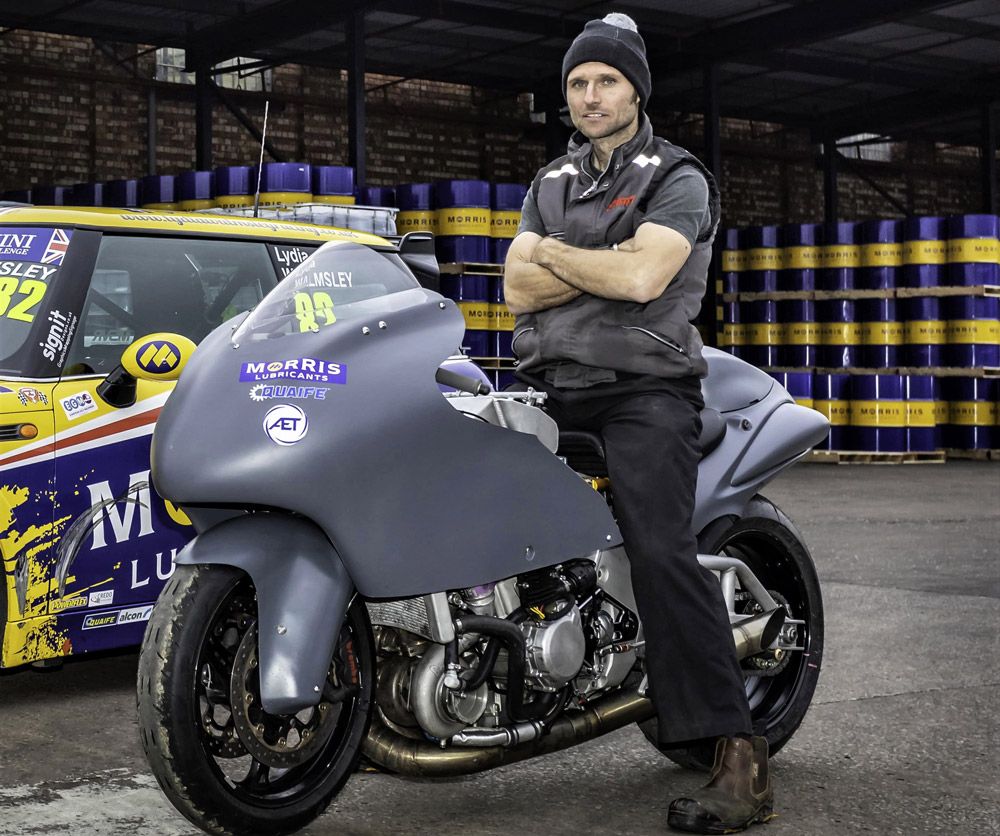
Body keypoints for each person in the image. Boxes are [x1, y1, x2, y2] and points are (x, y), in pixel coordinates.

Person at [503, 13, 774, 834]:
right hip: (553, 382)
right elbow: (516, 287)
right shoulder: (551, 180)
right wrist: (593, 263)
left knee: (659, 548)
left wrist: (561, 258)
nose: (590, 95)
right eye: (578, 83)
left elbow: (648, 276)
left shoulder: (677, 175)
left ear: (635, 91)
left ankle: (739, 754)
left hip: (644, 389)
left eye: (606, 81)